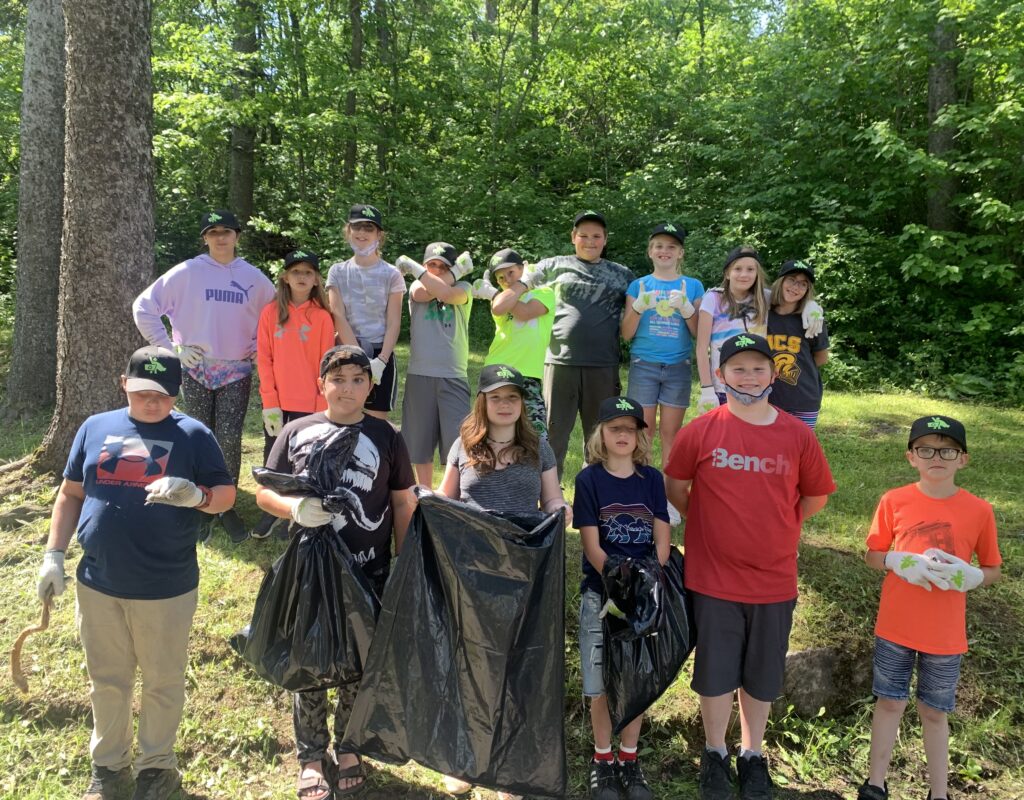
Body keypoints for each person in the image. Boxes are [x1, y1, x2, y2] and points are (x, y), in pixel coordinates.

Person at [36, 346, 236, 800]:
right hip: (98, 582)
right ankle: (109, 769)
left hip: (164, 586)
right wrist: (54, 555)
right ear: (123, 383)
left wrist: (196, 496)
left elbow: (225, 495)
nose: (151, 403)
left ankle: (157, 770)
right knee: (107, 679)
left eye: (162, 395)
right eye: (142, 392)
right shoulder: (95, 427)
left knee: (163, 681)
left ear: (176, 392)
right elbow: (70, 494)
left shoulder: (193, 434)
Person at [664, 333, 836, 800]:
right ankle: (715, 753)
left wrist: (780, 525)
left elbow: (815, 496)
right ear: (721, 376)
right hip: (713, 576)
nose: (749, 376)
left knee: (762, 673)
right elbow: (677, 487)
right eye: (738, 368)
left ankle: (752, 753)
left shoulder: (798, 435)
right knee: (716, 672)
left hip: (774, 578)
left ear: (773, 374)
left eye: (759, 368)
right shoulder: (700, 430)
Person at [255, 344, 416, 799]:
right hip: (310, 569)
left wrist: (402, 562)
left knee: (360, 662)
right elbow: (264, 493)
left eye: (358, 380)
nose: (347, 388)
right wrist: (293, 507)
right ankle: (310, 753)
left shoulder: (388, 437)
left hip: (370, 570)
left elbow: (403, 500)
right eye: (338, 379)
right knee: (309, 659)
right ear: (320, 384)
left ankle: (349, 746)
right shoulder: (296, 431)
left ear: (371, 385)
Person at [436, 362, 570, 799]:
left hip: (523, 565)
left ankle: (507, 764)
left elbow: (551, 498)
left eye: (512, 397)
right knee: (471, 657)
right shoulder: (463, 444)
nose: (505, 404)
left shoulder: (539, 447)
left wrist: (559, 513)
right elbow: (446, 499)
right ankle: (466, 759)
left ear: (521, 404)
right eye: (497, 397)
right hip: (472, 567)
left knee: (515, 660)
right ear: (484, 402)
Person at [857, 415, 1002, 800]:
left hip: (945, 632)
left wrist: (973, 576)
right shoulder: (894, 500)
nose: (936, 457)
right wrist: (895, 562)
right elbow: (873, 554)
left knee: (935, 712)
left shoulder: (979, 510)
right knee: (889, 702)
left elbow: (993, 568)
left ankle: (939, 793)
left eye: (947, 450)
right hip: (896, 625)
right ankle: (875, 784)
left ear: (963, 459)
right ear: (911, 457)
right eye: (926, 449)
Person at [132, 209, 274, 543]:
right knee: (197, 436)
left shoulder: (254, 278)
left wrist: (259, 347)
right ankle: (196, 504)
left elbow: (275, 317)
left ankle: (225, 506)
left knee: (228, 438)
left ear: (237, 236)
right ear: (205, 239)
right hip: (194, 369)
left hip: (236, 371)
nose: (220, 238)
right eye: (213, 232)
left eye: (226, 231)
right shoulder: (187, 273)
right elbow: (143, 307)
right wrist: (169, 349)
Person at [573, 395, 671, 800]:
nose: (622, 435)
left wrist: (645, 578)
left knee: (637, 677)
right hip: (602, 594)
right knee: (598, 681)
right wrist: (618, 578)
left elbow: (662, 538)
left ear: (639, 437)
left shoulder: (652, 480)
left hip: (643, 598)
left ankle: (629, 758)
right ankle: (602, 758)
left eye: (630, 429)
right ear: (601, 433)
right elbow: (592, 545)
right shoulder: (589, 480)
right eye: (615, 428)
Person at [521, 210, 634, 476]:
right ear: (573, 237)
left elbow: (641, 308)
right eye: (583, 235)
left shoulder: (623, 275)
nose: (590, 241)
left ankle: (594, 491)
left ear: (605, 240)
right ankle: (549, 496)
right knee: (553, 430)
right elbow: (518, 284)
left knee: (599, 433)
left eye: (597, 236)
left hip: (603, 364)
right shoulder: (552, 266)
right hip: (559, 362)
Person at [621, 222, 704, 522]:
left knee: (671, 434)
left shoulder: (693, 286)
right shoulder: (638, 285)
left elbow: (697, 332)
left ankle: (667, 498)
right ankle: (642, 493)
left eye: (671, 246)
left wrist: (687, 309)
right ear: (650, 251)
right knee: (643, 431)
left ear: (680, 252)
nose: (664, 251)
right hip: (644, 364)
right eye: (658, 245)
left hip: (678, 368)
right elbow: (626, 333)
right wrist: (639, 307)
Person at [251, 249, 336, 539]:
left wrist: (320, 404)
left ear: (316, 280)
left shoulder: (323, 317)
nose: (302, 277)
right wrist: (269, 402)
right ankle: (271, 510)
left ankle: (298, 511)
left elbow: (325, 363)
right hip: (278, 404)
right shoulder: (270, 313)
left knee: (305, 459)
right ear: (285, 277)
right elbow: (264, 359)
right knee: (274, 456)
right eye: (296, 271)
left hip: (310, 403)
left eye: (308, 272)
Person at [694, 247, 823, 416]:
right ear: (727, 273)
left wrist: (811, 305)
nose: (744, 274)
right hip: (723, 387)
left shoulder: (765, 297)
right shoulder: (713, 299)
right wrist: (707, 388)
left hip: (757, 388)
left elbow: (792, 298)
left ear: (757, 273)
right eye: (738, 269)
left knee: (754, 437)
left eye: (750, 269)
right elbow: (701, 347)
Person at [395, 242, 474, 486]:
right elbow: (425, 292)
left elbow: (448, 295)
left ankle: (451, 492)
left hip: (453, 374)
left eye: (444, 267)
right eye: (432, 265)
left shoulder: (465, 287)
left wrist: (456, 276)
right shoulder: (418, 286)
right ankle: (425, 491)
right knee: (420, 442)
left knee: (458, 440)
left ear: (452, 269)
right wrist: (455, 271)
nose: (437, 270)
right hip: (421, 373)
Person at [326, 204, 405, 420]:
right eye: (357, 227)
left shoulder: (392, 274)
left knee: (375, 422)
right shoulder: (337, 271)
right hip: (346, 350)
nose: (362, 233)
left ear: (379, 235)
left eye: (369, 228)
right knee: (342, 417)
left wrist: (380, 361)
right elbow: (338, 315)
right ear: (348, 231)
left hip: (381, 354)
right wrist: (359, 355)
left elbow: (394, 322)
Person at [473, 247, 556, 437]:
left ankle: (534, 467)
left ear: (523, 267)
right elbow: (500, 307)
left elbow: (525, 312)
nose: (507, 280)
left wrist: (496, 292)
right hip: (497, 372)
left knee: (536, 436)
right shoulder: (503, 299)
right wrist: (520, 284)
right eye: (501, 278)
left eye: (511, 272)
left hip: (528, 374)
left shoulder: (544, 292)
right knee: (492, 433)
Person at [765, 260, 829, 430]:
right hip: (766, 398)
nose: (796, 287)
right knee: (766, 452)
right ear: (781, 281)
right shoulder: (763, 315)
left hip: (803, 399)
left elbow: (822, 358)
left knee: (798, 452)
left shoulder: (813, 319)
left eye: (803, 284)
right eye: (792, 279)